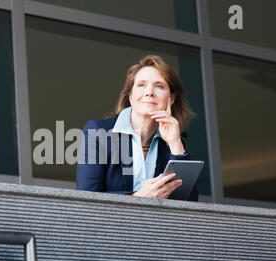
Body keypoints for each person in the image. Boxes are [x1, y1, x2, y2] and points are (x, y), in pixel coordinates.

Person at [76, 55, 198, 201]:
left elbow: (190, 207)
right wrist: (138, 197)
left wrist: (175, 144)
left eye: (159, 86)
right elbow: (87, 198)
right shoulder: (97, 132)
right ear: (131, 96)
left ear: (171, 99)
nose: (149, 92)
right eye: (141, 85)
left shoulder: (173, 145)